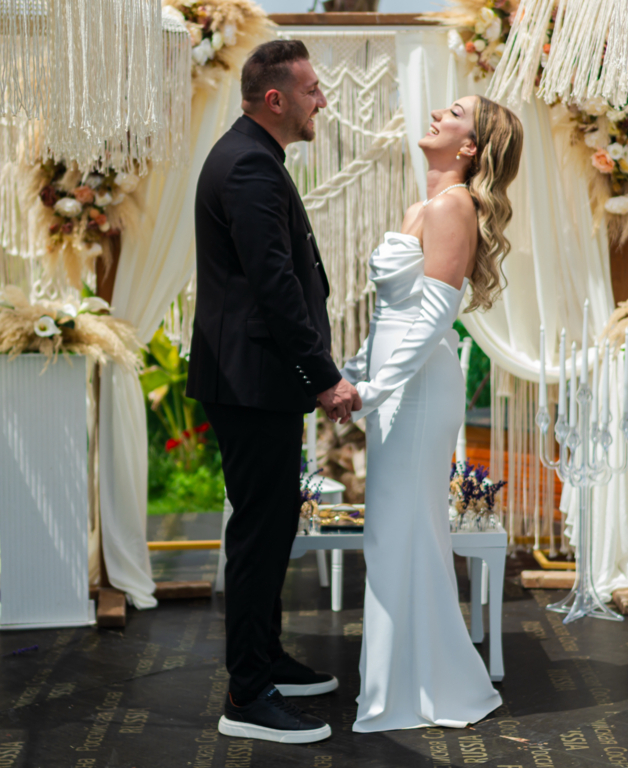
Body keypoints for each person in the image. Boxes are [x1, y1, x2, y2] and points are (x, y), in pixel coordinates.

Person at [187, 39, 361, 745]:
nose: (322, 101)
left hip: (254, 380)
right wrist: (324, 376)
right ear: (275, 98)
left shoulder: (253, 155)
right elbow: (275, 285)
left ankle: (266, 659)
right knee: (261, 534)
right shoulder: (249, 166)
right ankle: (248, 693)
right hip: (251, 382)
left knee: (272, 525)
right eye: (313, 90)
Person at [340, 95, 523, 731]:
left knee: (401, 529)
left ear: (469, 147)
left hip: (416, 390)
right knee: (397, 530)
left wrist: (373, 389)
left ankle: (410, 691)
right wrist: (353, 372)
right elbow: (392, 314)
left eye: (456, 113)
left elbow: (434, 316)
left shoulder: (453, 206)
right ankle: (409, 681)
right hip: (397, 383)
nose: (439, 114)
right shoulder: (424, 205)